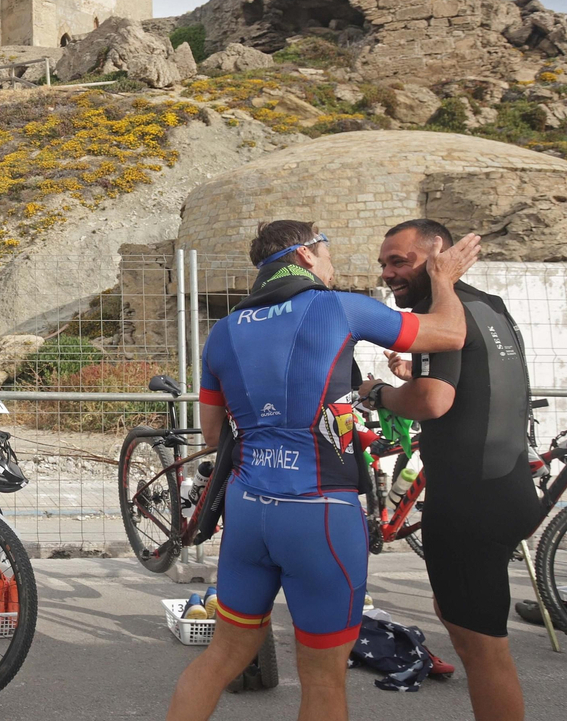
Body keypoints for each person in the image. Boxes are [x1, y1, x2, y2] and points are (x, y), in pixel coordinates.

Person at [166, 220, 479, 721]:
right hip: (320, 515)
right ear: (306, 256)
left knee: (222, 657)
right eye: (327, 254)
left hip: (248, 509)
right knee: (322, 677)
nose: (332, 265)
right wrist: (442, 278)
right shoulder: (336, 307)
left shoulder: (222, 332)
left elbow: (211, 436)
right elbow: (451, 333)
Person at [358, 219, 544, 721]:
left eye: (399, 261)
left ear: (438, 256)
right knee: (458, 617)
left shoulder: (438, 312)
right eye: (383, 264)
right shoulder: (488, 305)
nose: (388, 273)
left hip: (469, 503)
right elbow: (475, 376)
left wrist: (378, 392)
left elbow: (433, 401)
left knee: (484, 651)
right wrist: (412, 370)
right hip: (509, 488)